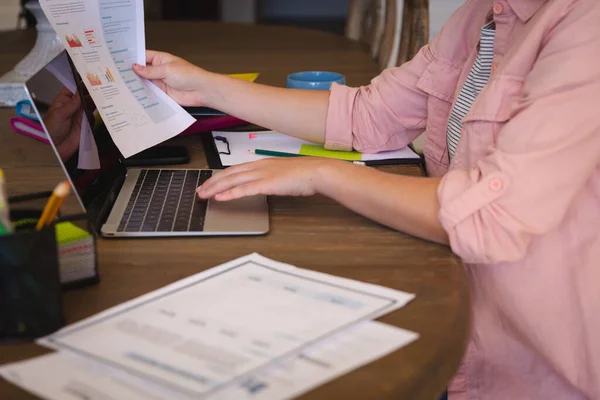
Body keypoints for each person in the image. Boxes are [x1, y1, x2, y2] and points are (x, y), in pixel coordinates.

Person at [133, 0, 600, 398]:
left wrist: (322, 174)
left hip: (529, 364)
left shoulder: (585, 27)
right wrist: (204, 86)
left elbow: (491, 214)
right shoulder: (484, 14)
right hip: (455, 304)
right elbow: (368, 114)